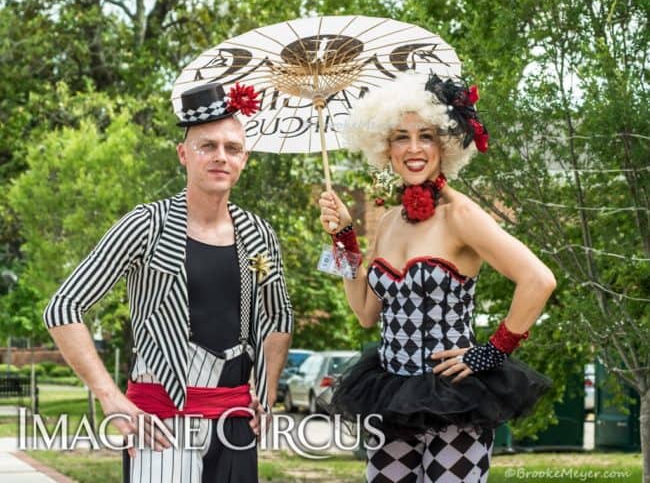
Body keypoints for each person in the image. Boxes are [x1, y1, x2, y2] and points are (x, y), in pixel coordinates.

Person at [43, 81, 293, 482]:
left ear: (244, 159)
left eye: (232, 148)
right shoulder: (145, 225)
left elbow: (278, 317)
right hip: (161, 422)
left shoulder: (259, 234)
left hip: (236, 422)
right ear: (183, 154)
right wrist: (110, 397)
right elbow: (63, 308)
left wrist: (266, 388)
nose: (220, 157)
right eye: (207, 146)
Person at [319, 73, 554, 482]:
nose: (413, 148)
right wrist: (343, 237)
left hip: (455, 401)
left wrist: (492, 352)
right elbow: (364, 312)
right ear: (385, 148)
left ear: (444, 144)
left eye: (425, 136)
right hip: (392, 398)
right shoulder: (389, 221)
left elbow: (539, 280)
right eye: (400, 137)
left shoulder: (460, 215)